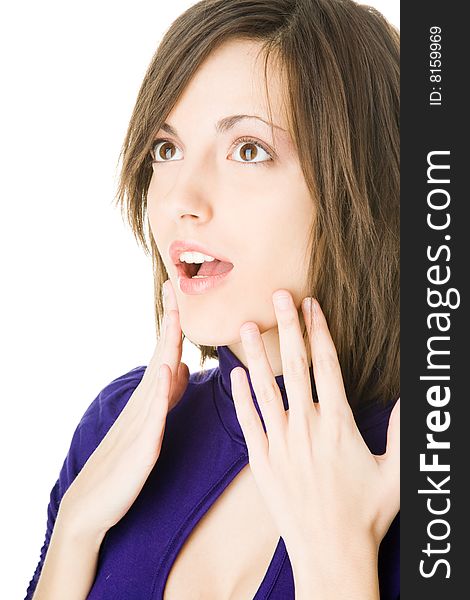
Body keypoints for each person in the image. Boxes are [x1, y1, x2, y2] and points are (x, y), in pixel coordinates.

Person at [25, 0, 400, 598]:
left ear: (362, 183)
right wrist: (74, 532)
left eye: (248, 150)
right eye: (166, 149)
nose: (180, 198)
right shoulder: (119, 427)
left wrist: (339, 563)